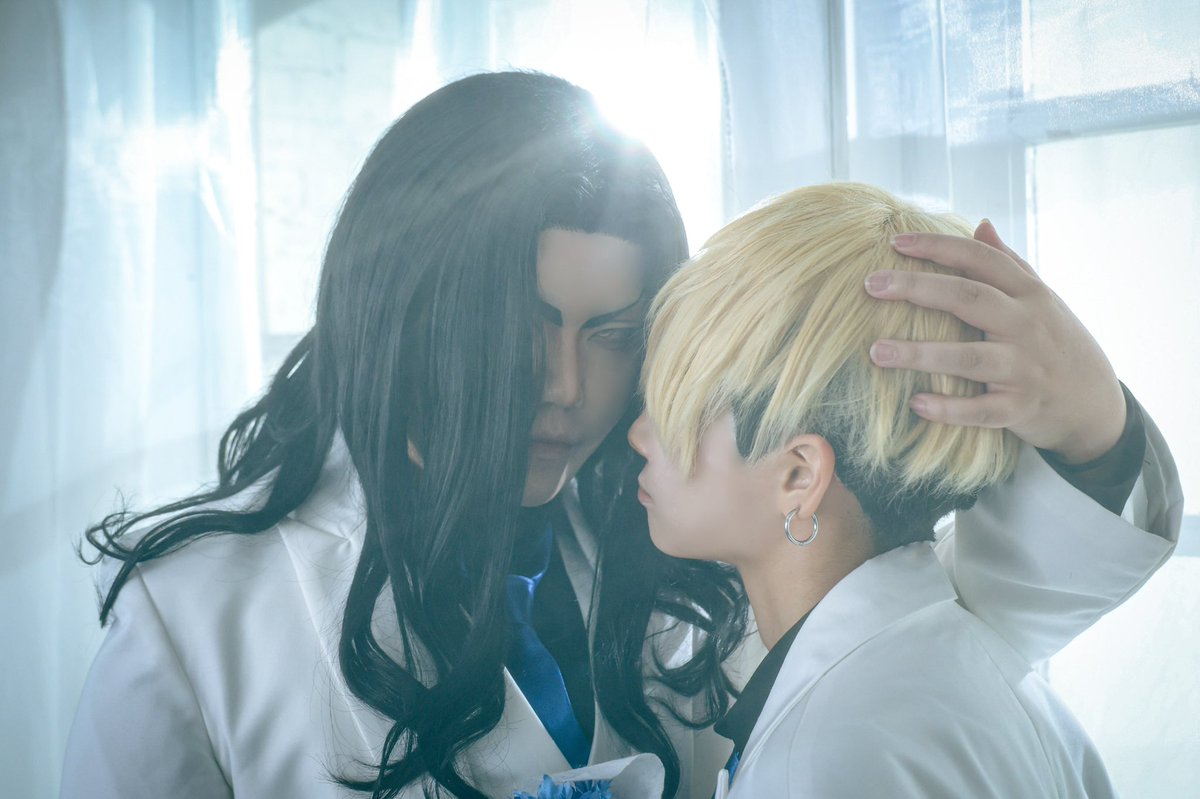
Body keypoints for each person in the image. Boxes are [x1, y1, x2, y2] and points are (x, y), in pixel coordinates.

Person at [60, 73, 1180, 799]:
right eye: (520, 330)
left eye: (611, 336)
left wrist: (1094, 426)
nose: (566, 389)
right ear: (407, 316)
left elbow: (925, 637)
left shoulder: (690, 530)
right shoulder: (195, 621)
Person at [630, 181, 1182, 797]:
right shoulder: (997, 686)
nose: (638, 435)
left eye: (674, 405)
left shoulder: (818, 765)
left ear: (799, 476)